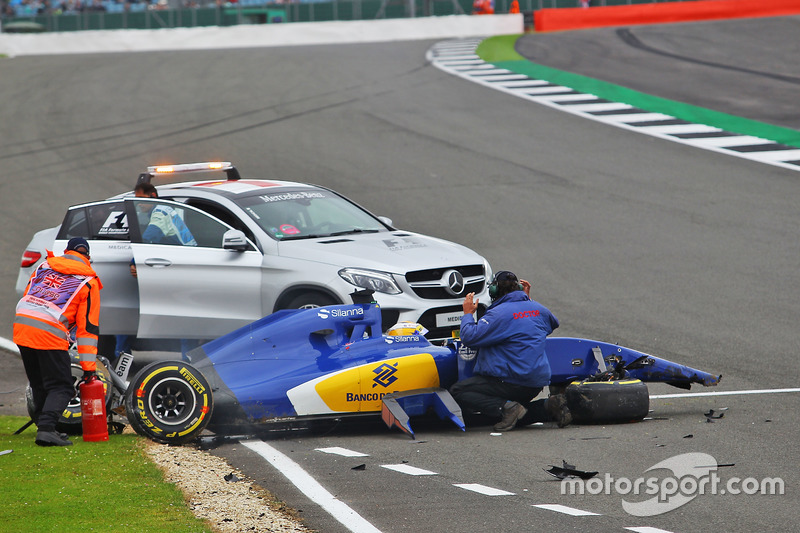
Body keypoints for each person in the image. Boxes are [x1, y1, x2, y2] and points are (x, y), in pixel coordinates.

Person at [449, 270, 571, 432]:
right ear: (520, 288)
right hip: (535, 383)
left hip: (511, 381)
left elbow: (470, 337)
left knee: (459, 391)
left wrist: (468, 314)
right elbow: (551, 323)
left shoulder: (498, 314)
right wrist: (527, 301)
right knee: (518, 412)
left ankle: (507, 408)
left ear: (494, 291)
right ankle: (548, 406)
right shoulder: (538, 308)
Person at [14, 237, 102, 446]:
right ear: (88, 257)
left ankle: (46, 427)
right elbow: (87, 328)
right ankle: (46, 429)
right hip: (49, 333)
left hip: (22, 327)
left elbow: (29, 295)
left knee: (40, 384)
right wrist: (89, 368)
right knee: (62, 387)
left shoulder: (44, 266)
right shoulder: (88, 283)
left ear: (66, 251)